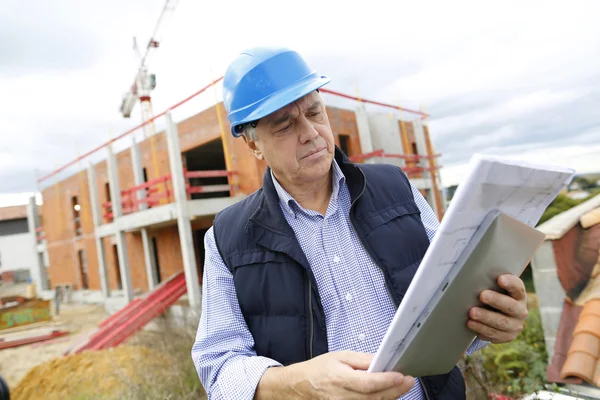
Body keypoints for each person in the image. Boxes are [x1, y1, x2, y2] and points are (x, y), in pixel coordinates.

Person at [191, 47, 529, 399]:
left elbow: (451, 295)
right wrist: (296, 384)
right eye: (285, 125)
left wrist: (490, 318)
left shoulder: (396, 188)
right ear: (252, 143)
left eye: (314, 112)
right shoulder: (228, 238)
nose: (310, 132)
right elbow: (218, 366)